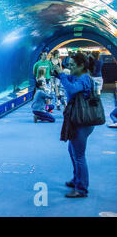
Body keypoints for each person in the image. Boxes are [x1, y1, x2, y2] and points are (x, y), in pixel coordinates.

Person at [54, 53, 95, 198]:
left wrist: (63, 75)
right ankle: (77, 179)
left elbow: (71, 89)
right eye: (68, 65)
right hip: (78, 120)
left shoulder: (84, 78)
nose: (69, 67)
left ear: (81, 66)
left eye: (72, 65)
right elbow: (69, 79)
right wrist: (58, 71)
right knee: (72, 151)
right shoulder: (79, 76)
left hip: (81, 122)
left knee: (79, 155)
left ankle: (81, 189)